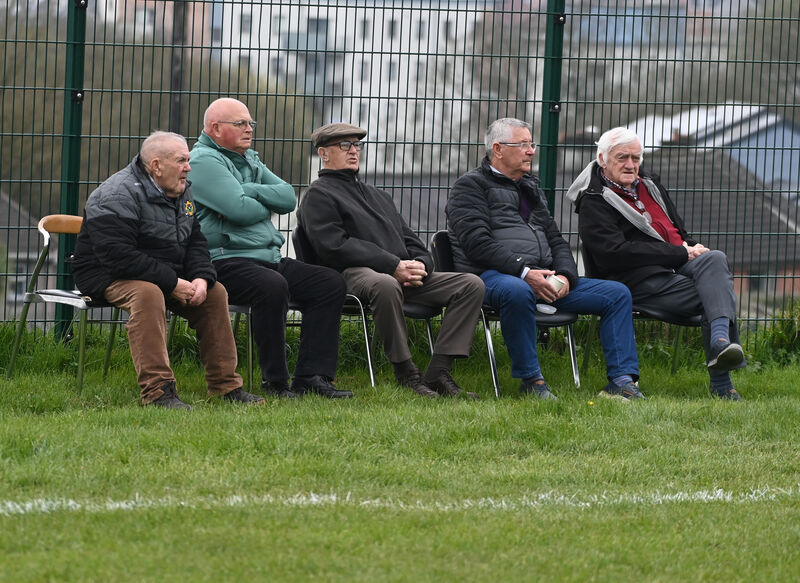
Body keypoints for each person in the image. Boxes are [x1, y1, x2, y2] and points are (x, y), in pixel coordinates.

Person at [447, 117, 643, 401]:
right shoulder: (469, 187)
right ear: (498, 149)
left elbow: (555, 239)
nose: (531, 151)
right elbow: (477, 244)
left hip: (542, 277)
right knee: (517, 290)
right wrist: (525, 272)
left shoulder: (530, 187)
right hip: (489, 277)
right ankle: (532, 381)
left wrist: (565, 275)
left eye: (532, 144)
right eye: (523, 144)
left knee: (616, 293)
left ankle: (622, 381)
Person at [69, 131, 265, 409]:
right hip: (108, 274)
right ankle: (158, 393)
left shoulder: (182, 188)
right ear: (156, 165)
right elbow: (118, 257)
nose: (188, 166)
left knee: (215, 292)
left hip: (163, 271)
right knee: (148, 293)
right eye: (181, 160)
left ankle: (226, 387)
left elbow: (195, 240)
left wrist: (200, 277)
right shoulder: (114, 194)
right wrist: (172, 282)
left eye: (188, 159)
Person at [298, 122, 486, 399]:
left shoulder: (378, 196)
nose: (354, 151)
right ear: (324, 153)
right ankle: (406, 373)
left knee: (470, 284)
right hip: (350, 274)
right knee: (385, 284)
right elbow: (333, 246)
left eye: (357, 145)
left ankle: (439, 372)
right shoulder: (318, 194)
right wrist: (392, 265)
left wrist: (422, 264)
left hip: (400, 273)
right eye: (345, 146)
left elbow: (409, 240)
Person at [188, 98, 351, 399]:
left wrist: (247, 191)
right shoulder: (202, 161)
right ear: (214, 128)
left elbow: (288, 198)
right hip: (225, 260)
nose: (249, 129)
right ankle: (275, 382)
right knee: (272, 286)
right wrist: (259, 203)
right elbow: (240, 211)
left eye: (250, 123)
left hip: (267, 257)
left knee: (329, 283)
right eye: (240, 124)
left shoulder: (250, 160)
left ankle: (312, 376)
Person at [566, 126, 745, 400]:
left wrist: (691, 247)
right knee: (717, 293)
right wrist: (679, 254)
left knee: (715, 259)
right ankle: (722, 381)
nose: (631, 165)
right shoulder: (594, 200)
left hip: (676, 264)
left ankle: (720, 341)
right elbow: (614, 254)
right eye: (622, 157)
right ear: (603, 159)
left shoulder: (649, 184)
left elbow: (674, 231)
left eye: (636, 158)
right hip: (636, 279)